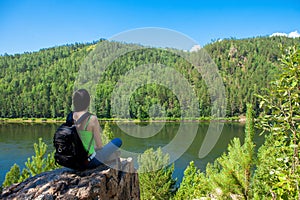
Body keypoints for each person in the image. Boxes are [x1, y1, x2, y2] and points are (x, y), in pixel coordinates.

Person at [71, 88, 122, 169]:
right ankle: (110, 158)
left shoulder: (70, 117)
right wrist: (92, 149)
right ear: (88, 102)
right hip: (88, 162)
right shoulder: (92, 119)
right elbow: (99, 146)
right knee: (118, 141)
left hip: (72, 162)